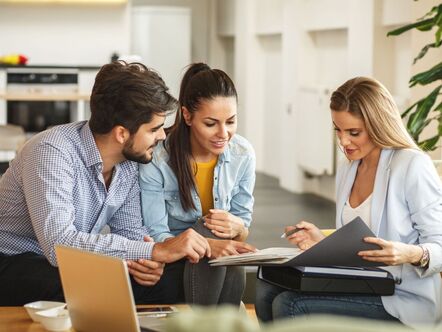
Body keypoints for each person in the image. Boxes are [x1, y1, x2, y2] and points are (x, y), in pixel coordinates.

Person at [0, 61, 211, 306]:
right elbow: (59, 245)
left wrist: (146, 263)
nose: (162, 136)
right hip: (13, 259)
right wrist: (154, 251)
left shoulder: (130, 162)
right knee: (87, 284)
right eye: (154, 129)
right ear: (122, 133)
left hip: (71, 262)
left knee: (175, 280)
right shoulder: (52, 151)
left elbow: (130, 233)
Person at [255, 77, 442, 327]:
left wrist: (408, 253)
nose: (343, 142)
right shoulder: (348, 169)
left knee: (289, 305)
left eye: (354, 132)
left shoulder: (411, 165)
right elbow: (359, 245)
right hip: (363, 284)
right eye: (338, 130)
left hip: (402, 297)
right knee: (267, 290)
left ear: (378, 125)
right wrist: (322, 242)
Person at [139, 63, 256, 305]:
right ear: (187, 115)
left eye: (231, 122)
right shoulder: (158, 160)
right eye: (211, 124)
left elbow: (242, 225)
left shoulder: (243, 153)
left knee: (222, 237)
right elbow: (156, 233)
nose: (223, 133)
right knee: (207, 228)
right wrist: (208, 244)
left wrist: (238, 229)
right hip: (175, 256)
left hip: (218, 261)